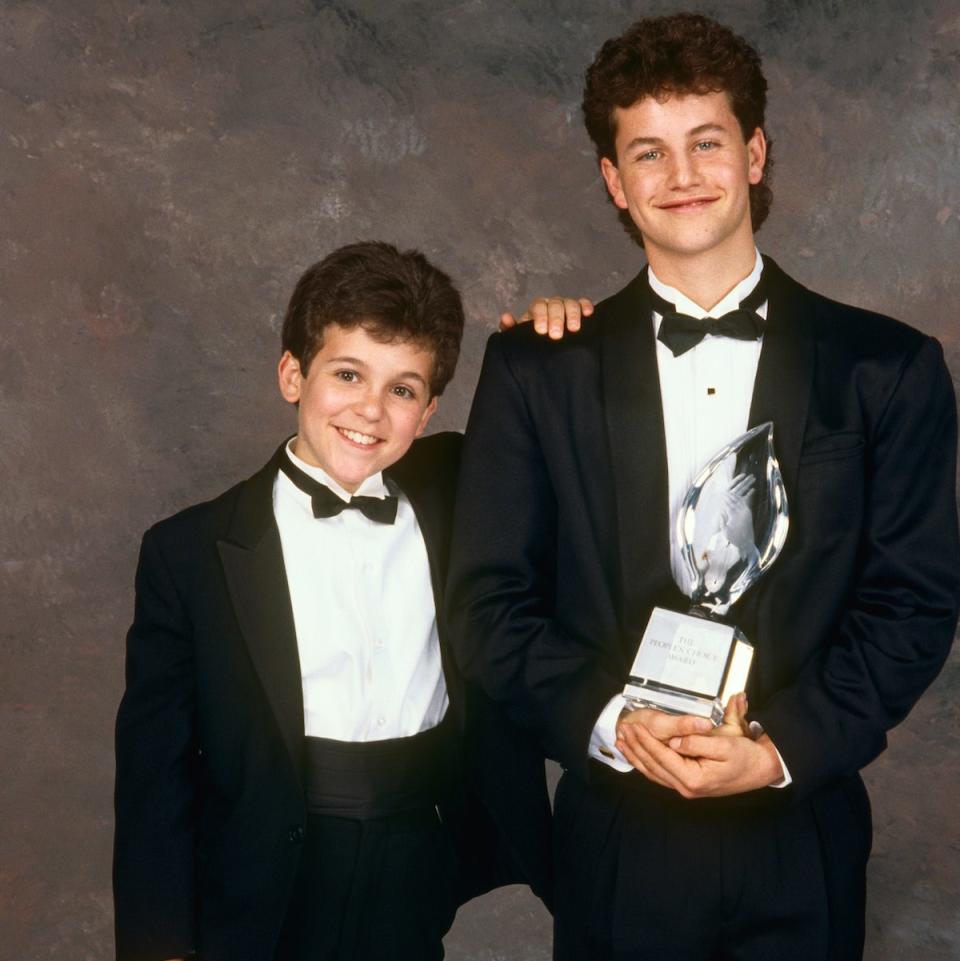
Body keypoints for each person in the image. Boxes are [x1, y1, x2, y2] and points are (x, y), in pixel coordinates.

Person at [447, 12, 960, 961]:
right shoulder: (537, 368)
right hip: (614, 835)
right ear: (615, 181)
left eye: (707, 142)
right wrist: (614, 723)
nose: (681, 175)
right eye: (649, 152)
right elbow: (487, 604)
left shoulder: (887, 367)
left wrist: (779, 748)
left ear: (754, 153)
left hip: (801, 823)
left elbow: (914, 602)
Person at [113, 241, 555, 961]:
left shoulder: (459, 492)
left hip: (415, 856)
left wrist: (558, 343)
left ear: (431, 407)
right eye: (348, 374)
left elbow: (553, 439)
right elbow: (154, 774)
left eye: (403, 389)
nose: (371, 411)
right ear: (293, 373)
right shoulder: (188, 551)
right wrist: (160, 944)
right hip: (261, 876)